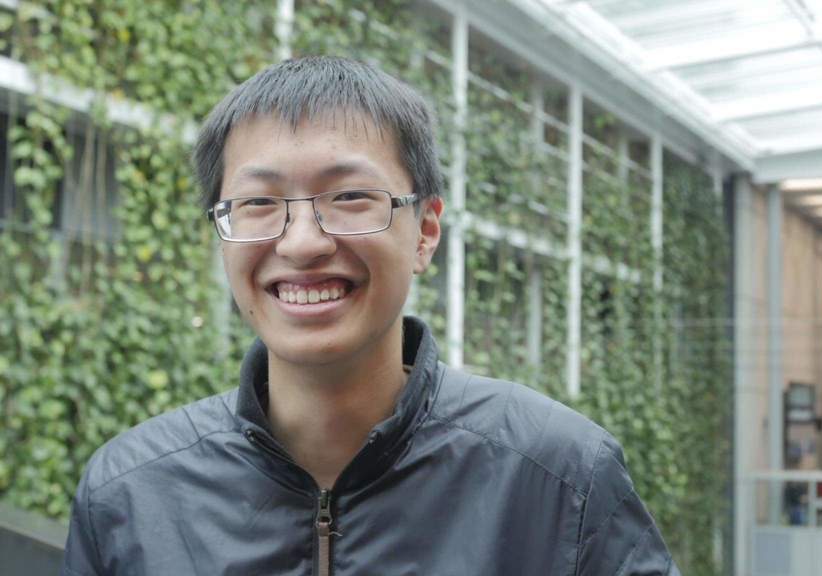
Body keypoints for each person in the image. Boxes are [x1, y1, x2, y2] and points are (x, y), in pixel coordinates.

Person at [61, 56, 680, 575]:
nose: (302, 243)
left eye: (351, 196)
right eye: (258, 202)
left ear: (425, 231)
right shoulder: (131, 495)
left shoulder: (558, 479)